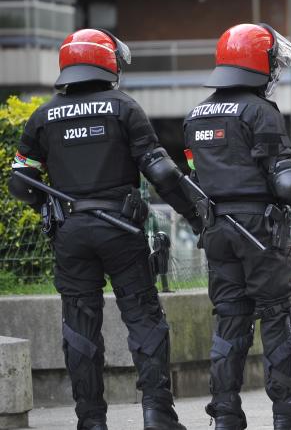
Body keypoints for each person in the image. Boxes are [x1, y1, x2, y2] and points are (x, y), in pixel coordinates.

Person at [8, 29, 201, 430]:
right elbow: (162, 172)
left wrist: (50, 204)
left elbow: (20, 181)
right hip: (120, 229)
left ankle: (91, 421)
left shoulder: (43, 115)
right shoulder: (123, 107)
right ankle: (157, 415)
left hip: (71, 232)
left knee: (80, 328)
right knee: (144, 319)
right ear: (106, 63)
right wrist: (200, 218)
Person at [183, 23, 291, 430]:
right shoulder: (260, 112)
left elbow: (191, 177)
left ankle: (224, 415)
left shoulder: (195, 115)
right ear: (259, 63)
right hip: (260, 232)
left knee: (229, 319)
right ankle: (288, 414)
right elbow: (289, 182)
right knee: (278, 318)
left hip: (217, 230)